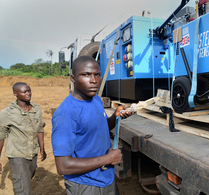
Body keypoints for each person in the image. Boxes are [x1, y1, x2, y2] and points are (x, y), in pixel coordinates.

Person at [51, 56, 133, 195]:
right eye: (86, 75)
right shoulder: (66, 114)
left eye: (97, 75)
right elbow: (63, 166)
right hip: (85, 184)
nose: (94, 80)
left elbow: (99, 128)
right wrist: (108, 159)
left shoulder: (95, 99)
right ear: (73, 78)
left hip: (106, 177)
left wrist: (115, 117)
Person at [0, 82, 47, 195]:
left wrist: (42, 148)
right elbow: (1, 136)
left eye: (29, 90)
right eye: (24, 91)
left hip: (32, 153)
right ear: (15, 94)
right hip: (17, 154)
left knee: (27, 178)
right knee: (23, 188)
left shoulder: (37, 109)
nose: (28, 93)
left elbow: (40, 129)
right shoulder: (7, 113)